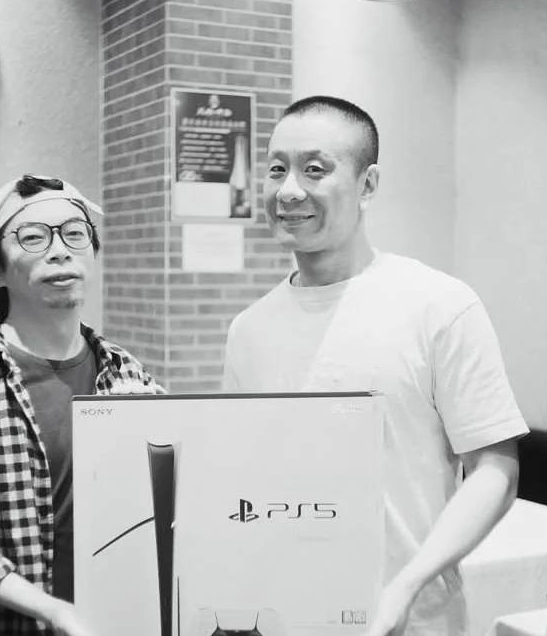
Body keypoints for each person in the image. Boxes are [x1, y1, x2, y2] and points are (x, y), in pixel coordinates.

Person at [222, 96, 529, 636]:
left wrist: (406, 585)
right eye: (276, 169)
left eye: (314, 169)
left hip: (415, 621)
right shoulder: (250, 329)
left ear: (368, 184)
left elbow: (495, 470)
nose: (289, 190)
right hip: (285, 618)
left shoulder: (439, 305)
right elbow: (244, 478)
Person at [0, 174, 164, 635]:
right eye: (33, 237)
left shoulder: (127, 374)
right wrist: (52, 610)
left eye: (75, 233)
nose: (60, 250)